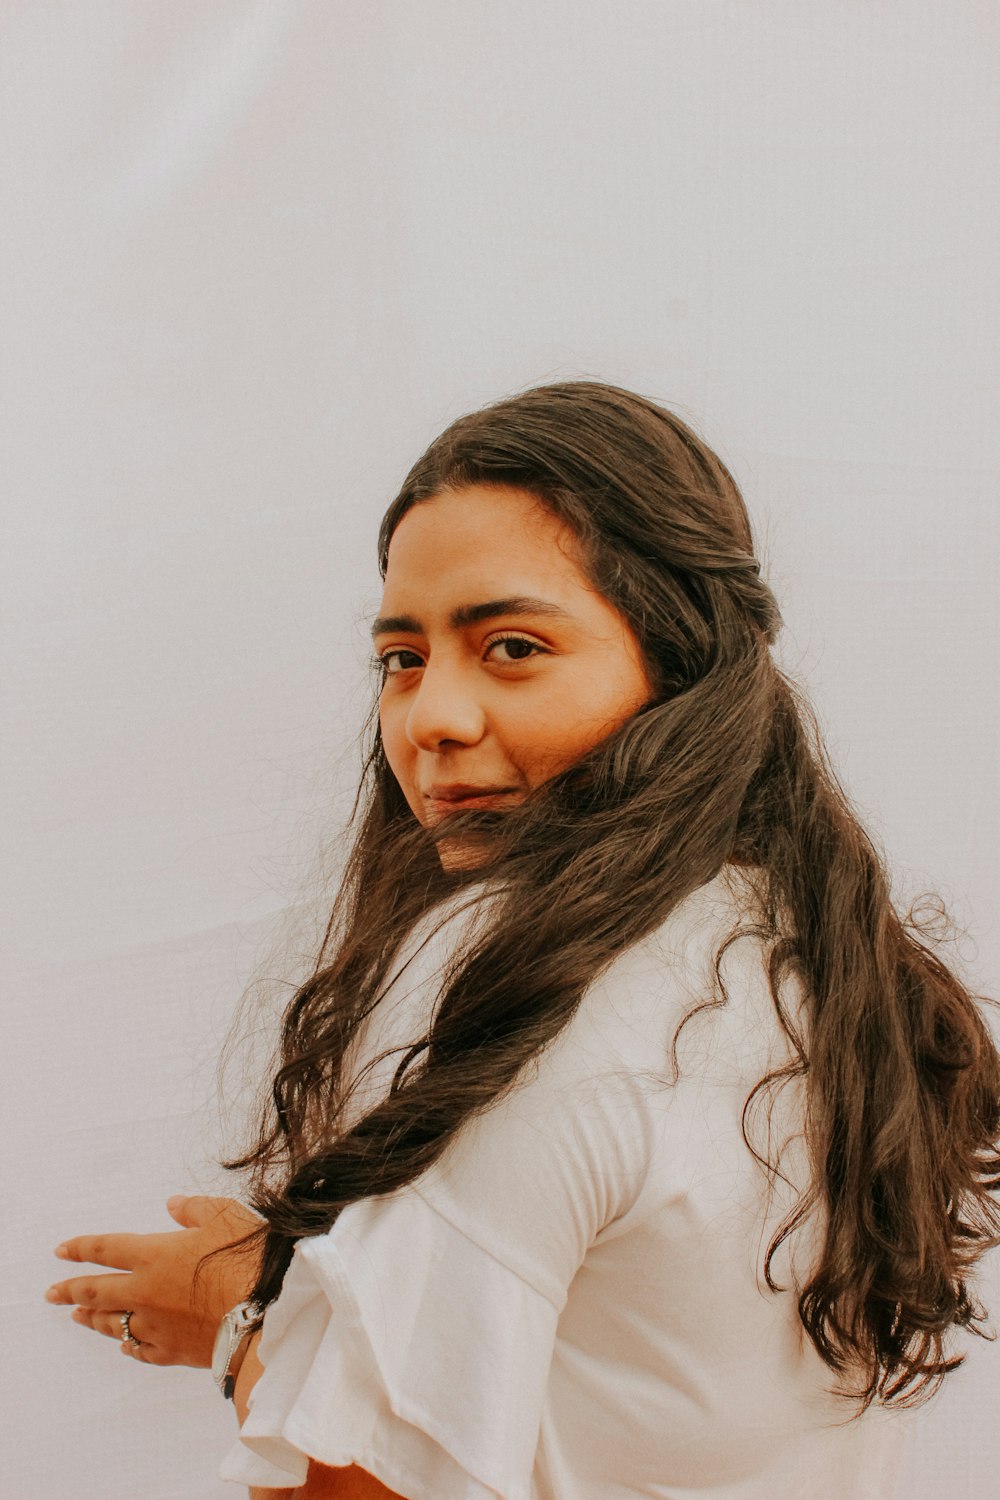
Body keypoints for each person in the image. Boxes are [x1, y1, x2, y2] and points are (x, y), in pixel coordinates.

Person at [47, 382, 1000, 1499]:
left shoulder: (525, 999)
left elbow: (356, 1492)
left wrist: (233, 1313)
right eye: (402, 658)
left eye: (510, 646)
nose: (430, 719)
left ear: (678, 665)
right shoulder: (804, 947)